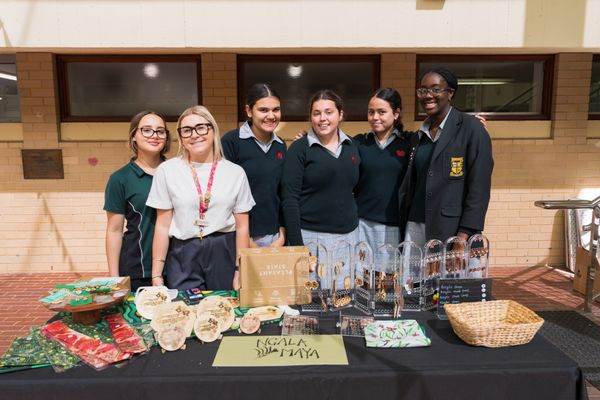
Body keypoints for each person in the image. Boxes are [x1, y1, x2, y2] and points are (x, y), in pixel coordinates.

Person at [146, 105, 255, 291]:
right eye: (187, 130)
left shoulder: (235, 173)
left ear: (213, 130)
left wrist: (239, 270)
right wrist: (156, 274)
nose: (195, 135)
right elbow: (162, 225)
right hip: (183, 253)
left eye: (201, 127)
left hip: (223, 251)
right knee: (185, 306)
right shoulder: (167, 171)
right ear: (180, 137)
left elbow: (242, 226)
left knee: (223, 304)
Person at [400, 67, 494, 251]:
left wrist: (463, 236)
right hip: (416, 226)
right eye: (423, 90)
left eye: (435, 89)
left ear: (450, 93)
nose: (428, 95)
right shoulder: (418, 136)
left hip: (452, 231)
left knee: (452, 272)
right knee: (415, 272)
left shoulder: (471, 129)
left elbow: (479, 189)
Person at [281, 89, 360, 251]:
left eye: (329, 112)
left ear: (340, 114)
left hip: (350, 235)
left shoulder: (352, 146)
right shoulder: (299, 149)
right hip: (311, 237)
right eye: (316, 113)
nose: (322, 118)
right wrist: (297, 245)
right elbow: (289, 199)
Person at [104, 111, 171, 292]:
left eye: (160, 131)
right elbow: (114, 230)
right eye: (146, 130)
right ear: (134, 135)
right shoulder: (120, 179)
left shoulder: (177, 172)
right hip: (138, 269)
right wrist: (114, 278)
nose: (154, 135)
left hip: (178, 266)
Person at [222, 83, 286, 248]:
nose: (271, 116)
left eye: (276, 110)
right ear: (249, 111)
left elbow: (282, 192)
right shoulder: (231, 142)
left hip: (274, 237)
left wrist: (282, 234)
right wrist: (246, 240)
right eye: (263, 110)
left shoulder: (280, 145)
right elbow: (224, 195)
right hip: (240, 236)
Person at [354, 88, 412, 254]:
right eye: (371, 112)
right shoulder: (359, 142)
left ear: (396, 114)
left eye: (381, 112)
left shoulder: (410, 142)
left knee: (390, 271)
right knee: (362, 270)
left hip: (395, 226)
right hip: (362, 224)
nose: (375, 117)